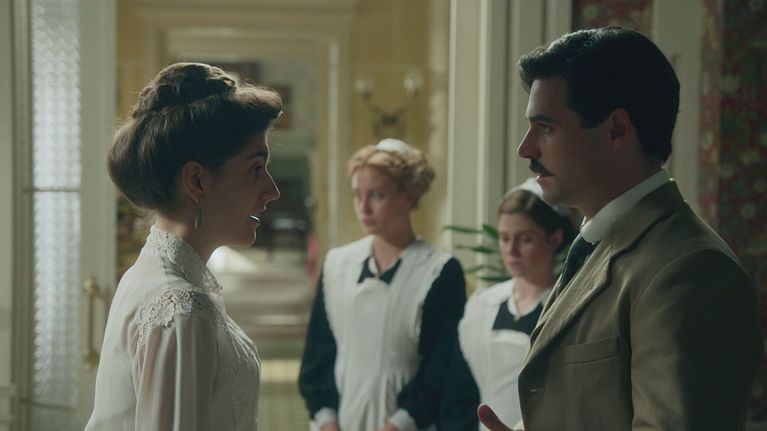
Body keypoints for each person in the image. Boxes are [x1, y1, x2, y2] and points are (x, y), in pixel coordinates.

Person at [479, 27, 763, 430]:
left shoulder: (691, 270)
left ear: (616, 130)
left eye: (545, 128)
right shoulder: (599, 244)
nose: (525, 148)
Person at [84, 62, 282, 430]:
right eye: (256, 169)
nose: (272, 191)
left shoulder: (153, 274)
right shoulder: (180, 308)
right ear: (197, 181)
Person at [298, 139, 467, 431]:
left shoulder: (439, 270)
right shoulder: (337, 264)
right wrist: (326, 421)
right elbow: (319, 352)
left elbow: (441, 365)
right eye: (357, 195)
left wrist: (399, 423)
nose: (363, 207)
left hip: (408, 422)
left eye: (377, 195)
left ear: (408, 196)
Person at [450, 178, 575, 430]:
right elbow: (460, 388)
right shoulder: (482, 305)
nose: (511, 251)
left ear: (554, 238)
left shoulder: (565, 305)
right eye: (504, 238)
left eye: (525, 239)